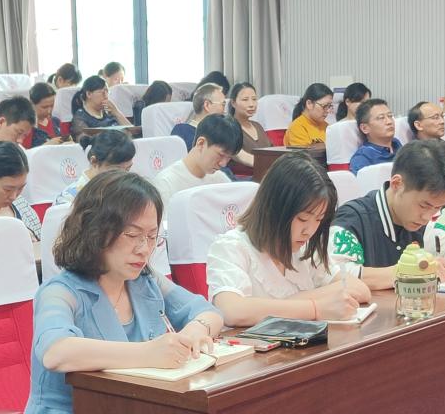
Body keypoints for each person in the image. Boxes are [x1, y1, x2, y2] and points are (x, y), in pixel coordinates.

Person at [19, 168, 221, 414]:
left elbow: (207, 311)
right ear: (97, 230)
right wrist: (149, 354)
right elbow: (55, 352)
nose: (144, 249)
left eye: (152, 237)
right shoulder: (61, 291)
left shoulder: (144, 280)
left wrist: (193, 333)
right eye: (132, 235)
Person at [206, 152, 372, 327]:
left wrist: (283, 306)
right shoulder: (231, 247)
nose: (310, 231)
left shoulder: (306, 248)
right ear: (273, 207)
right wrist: (315, 308)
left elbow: (359, 289)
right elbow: (233, 311)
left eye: (318, 219)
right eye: (302, 219)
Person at [329, 139, 445, 290]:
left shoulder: (421, 224)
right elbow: (336, 275)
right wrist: (406, 271)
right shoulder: (352, 219)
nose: (427, 217)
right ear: (397, 184)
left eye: (437, 208)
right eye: (424, 205)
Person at [152, 113, 242, 206]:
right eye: (220, 155)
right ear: (201, 143)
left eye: (229, 158)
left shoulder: (221, 180)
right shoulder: (166, 183)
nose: (223, 164)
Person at [54, 129, 135, 205]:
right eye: (116, 171)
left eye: (128, 169)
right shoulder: (69, 198)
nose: (123, 175)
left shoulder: (128, 190)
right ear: (94, 162)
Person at [225, 81, 270, 176]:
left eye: (254, 99)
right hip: (243, 180)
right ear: (233, 103)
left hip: (267, 175)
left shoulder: (258, 126)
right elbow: (240, 156)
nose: (251, 104)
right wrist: (272, 166)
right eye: (245, 100)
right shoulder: (228, 127)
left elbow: (272, 151)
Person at [69, 75, 131, 142]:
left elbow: (131, 133)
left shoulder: (110, 112)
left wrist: (117, 113)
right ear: (89, 94)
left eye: (107, 91)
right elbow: (84, 140)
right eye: (102, 92)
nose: (106, 96)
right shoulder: (80, 117)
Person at [349, 99, 402, 174]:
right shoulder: (362, 158)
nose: (389, 122)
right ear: (365, 128)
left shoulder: (396, 143)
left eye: (390, 116)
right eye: (381, 118)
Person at [171, 83, 226, 150]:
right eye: (223, 105)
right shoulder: (182, 131)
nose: (225, 111)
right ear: (207, 105)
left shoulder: (221, 132)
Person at [283, 83, 332, 148]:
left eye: (329, 106)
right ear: (309, 104)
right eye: (324, 106)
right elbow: (304, 153)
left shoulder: (327, 126)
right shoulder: (297, 128)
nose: (328, 111)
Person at [29, 82, 66, 147]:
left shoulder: (56, 121)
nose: (49, 111)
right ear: (32, 104)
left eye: (52, 106)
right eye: (44, 107)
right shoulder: (27, 125)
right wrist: (46, 145)